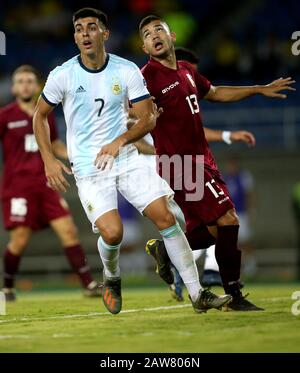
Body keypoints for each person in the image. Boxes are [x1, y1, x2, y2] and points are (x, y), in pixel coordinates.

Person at [33, 8, 232, 315]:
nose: (84, 33)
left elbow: (147, 119)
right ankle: (111, 276)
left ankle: (198, 293)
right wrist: (48, 159)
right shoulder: (63, 74)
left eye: (91, 28)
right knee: (113, 233)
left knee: (166, 217)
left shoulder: (126, 71)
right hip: (89, 167)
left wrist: (119, 142)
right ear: (75, 36)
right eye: (79, 29)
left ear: (105, 33)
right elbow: (40, 115)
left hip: (126, 159)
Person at [138, 15, 295, 310]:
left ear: (171, 36)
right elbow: (134, 112)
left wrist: (258, 88)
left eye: (158, 29)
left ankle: (165, 250)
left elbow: (215, 93)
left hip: (202, 161)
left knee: (214, 231)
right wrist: (144, 119)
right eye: (147, 34)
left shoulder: (185, 70)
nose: (154, 35)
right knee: (228, 220)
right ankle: (233, 294)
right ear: (144, 46)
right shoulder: (146, 78)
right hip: (180, 164)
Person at [0, 65, 101, 301]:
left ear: (37, 87)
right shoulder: (5, 116)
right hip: (18, 189)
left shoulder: (43, 115)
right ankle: (7, 287)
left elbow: (54, 144)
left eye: (29, 81)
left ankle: (88, 284)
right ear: (14, 87)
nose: (25, 85)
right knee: (20, 240)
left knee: (68, 230)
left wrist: (76, 157)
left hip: (47, 186)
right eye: (20, 81)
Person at [223, 156, 257, 277]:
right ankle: (237, 266)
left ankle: (251, 264)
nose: (231, 167)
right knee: (233, 241)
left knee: (245, 239)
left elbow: (250, 194)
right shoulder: (225, 178)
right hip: (230, 213)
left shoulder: (244, 176)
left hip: (242, 212)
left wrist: (251, 210)